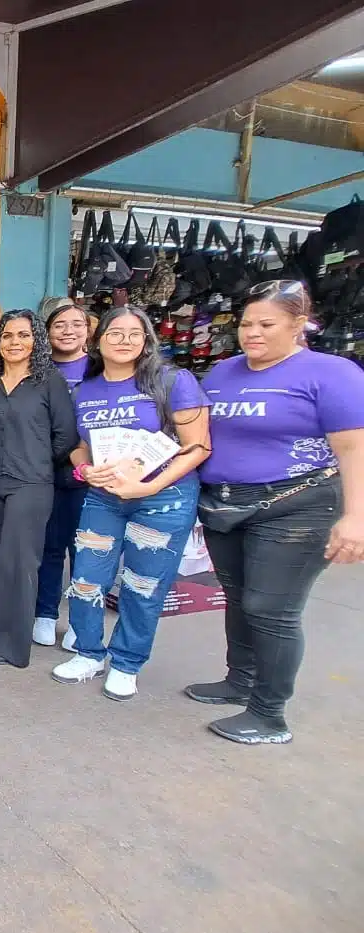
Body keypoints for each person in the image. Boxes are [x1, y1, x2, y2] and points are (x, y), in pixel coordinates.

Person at [186, 281, 364, 744]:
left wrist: (356, 517)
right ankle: (239, 681)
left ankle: (269, 715)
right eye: (246, 324)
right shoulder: (222, 372)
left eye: (266, 324)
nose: (252, 333)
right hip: (226, 505)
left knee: (272, 608)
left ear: (298, 325)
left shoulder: (331, 373)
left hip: (297, 506)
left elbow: (354, 449)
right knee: (239, 596)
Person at [51, 306, 211, 701]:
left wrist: (145, 487)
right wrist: (84, 471)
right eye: (115, 333)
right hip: (103, 498)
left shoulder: (173, 381)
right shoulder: (83, 390)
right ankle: (89, 652)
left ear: (146, 341)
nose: (124, 341)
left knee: (143, 584)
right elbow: (78, 446)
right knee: (86, 578)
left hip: (162, 499)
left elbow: (198, 447)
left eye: (133, 334)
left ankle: (126, 663)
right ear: (98, 339)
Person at [0, 310, 79, 667]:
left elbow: (66, 436)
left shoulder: (50, 382)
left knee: (20, 562)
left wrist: (36, 458)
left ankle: (13, 646)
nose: (15, 342)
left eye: (24, 335)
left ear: (36, 341)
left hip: (31, 485)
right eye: (8, 336)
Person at [34, 302, 92, 651]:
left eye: (76, 324)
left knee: (85, 550)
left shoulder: (100, 368)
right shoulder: (38, 369)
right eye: (59, 325)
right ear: (48, 332)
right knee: (49, 546)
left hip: (92, 474)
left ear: (88, 330)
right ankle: (44, 614)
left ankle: (82, 622)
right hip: (44, 470)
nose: (68, 331)